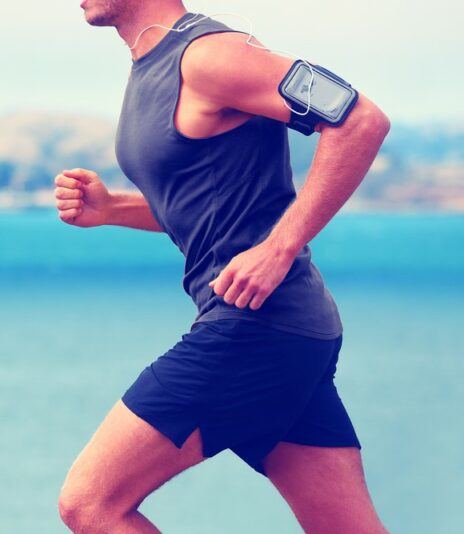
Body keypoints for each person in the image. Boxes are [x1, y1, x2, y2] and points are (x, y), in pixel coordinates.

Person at [53, 1, 391, 533]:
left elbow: (360, 120)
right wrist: (113, 210)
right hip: (289, 332)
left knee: (91, 503)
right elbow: (215, 205)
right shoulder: (153, 62)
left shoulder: (211, 56)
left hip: (255, 325)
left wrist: (279, 247)